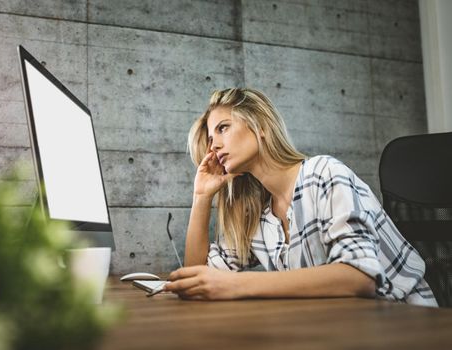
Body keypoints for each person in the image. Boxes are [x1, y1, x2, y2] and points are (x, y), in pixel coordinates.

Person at [163, 88, 437, 307]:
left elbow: (359, 277)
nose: (215, 145)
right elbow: (197, 278)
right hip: (336, 327)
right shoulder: (258, 215)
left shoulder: (324, 173)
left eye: (223, 128)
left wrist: (235, 285)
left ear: (260, 125)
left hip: (403, 321)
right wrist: (201, 197)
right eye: (211, 138)